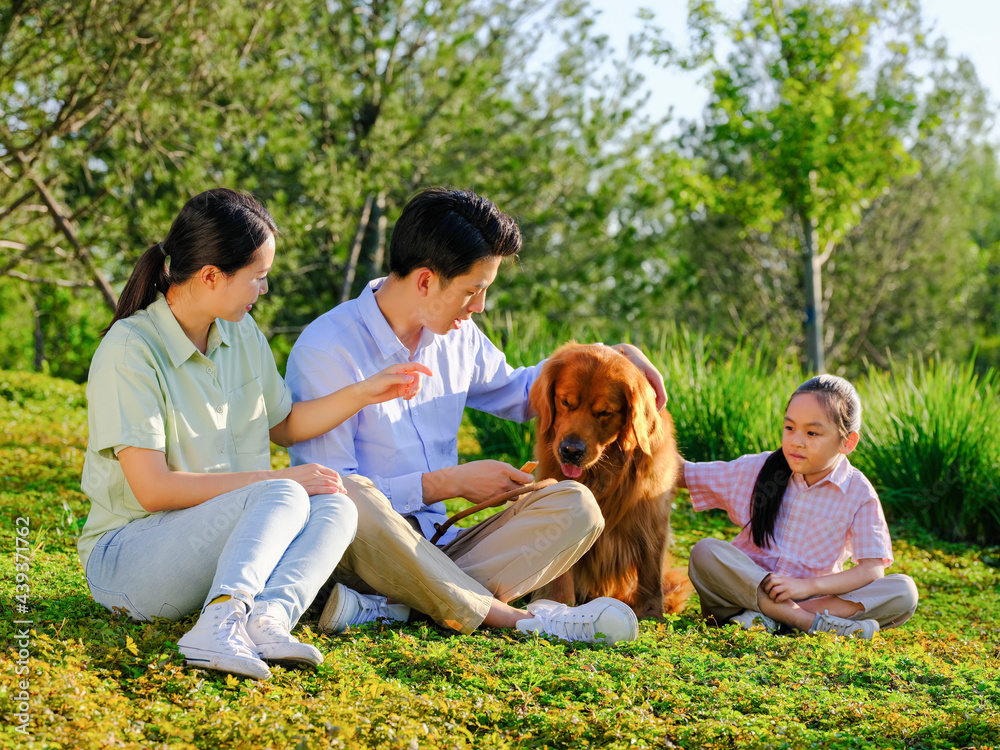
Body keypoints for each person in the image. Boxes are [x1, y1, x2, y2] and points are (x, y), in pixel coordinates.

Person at [285, 187, 669, 645]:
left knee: (576, 507)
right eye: (474, 290)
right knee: (351, 496)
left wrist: (615, 356)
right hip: (362, 549)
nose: (480, 306)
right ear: (426, 281)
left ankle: (397, 608)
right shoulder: (328, 348)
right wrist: (449, 483)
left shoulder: (456, 336)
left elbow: (529, 391)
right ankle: (514, 618)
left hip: (445, 548)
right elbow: (330, 494)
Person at [79, 188, 431, 681]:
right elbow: (153, 490)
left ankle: (267, 620)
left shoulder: (241, 334)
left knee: (335, 502)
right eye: (258, 278)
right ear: (210, 276)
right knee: (284, 490)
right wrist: (270, 483)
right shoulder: (131, 350)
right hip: (128, 557)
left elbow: (285, 426)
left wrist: (366, 391)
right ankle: (218, 620)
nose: (263, 291)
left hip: (220, 535)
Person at [677, 374, 918, 639]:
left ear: (847, 442)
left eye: (812, 433)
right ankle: (805, 623)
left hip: (811, 598)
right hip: (742, 595)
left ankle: (769, 619)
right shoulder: (757, 469)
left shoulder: (858, 492)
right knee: (705, 552)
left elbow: (871, 569)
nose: (796, 441)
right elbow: (682, 473)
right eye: (789, 428)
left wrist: (806, 586)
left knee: (903, 590)